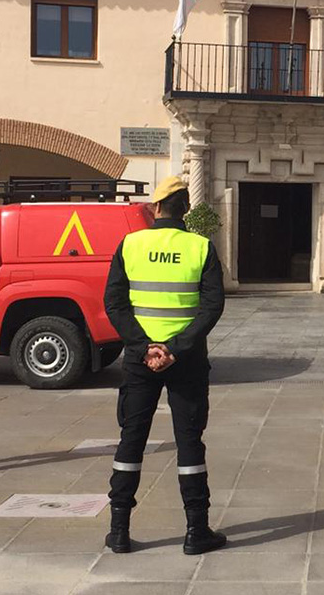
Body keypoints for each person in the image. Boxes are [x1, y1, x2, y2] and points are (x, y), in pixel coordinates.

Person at [102, 176, 227, 555]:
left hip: (141, 361)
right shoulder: (201, 247)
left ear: (156, 208)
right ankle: (196, 530)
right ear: (186, 207)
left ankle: (119, 530)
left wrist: (143, 347)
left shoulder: (130, 244)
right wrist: (175, 348)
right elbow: (212, 307)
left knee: (132, 438)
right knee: (189, 441)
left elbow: (115, 303)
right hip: (186, 361)